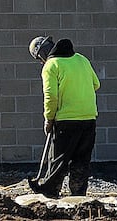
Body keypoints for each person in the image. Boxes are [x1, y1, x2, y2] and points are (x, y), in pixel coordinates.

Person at [27, 35, 100, 198]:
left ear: (41, 55)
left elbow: (51, 96)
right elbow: (96, 84)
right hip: (89, 119)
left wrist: (49, 118)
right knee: (81, 161)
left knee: (58, 160)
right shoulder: (82, 59)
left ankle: (50, 192)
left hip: (66, 121)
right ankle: (78, 195)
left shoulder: (51, 65)